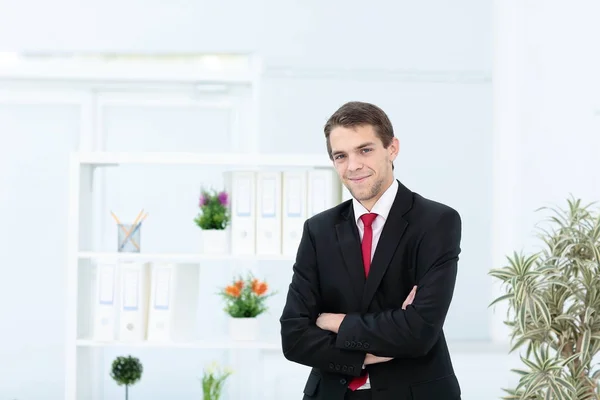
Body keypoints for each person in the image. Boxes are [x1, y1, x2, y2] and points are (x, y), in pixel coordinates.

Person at [279, 101, 462, 400]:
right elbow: (294, 336)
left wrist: (335, 322)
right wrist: (365, 355)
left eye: (365, 150)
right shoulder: (318, 230)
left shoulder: (436, 222)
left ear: (392, 149)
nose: (353, 165)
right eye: (341, 156)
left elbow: (419, 332)